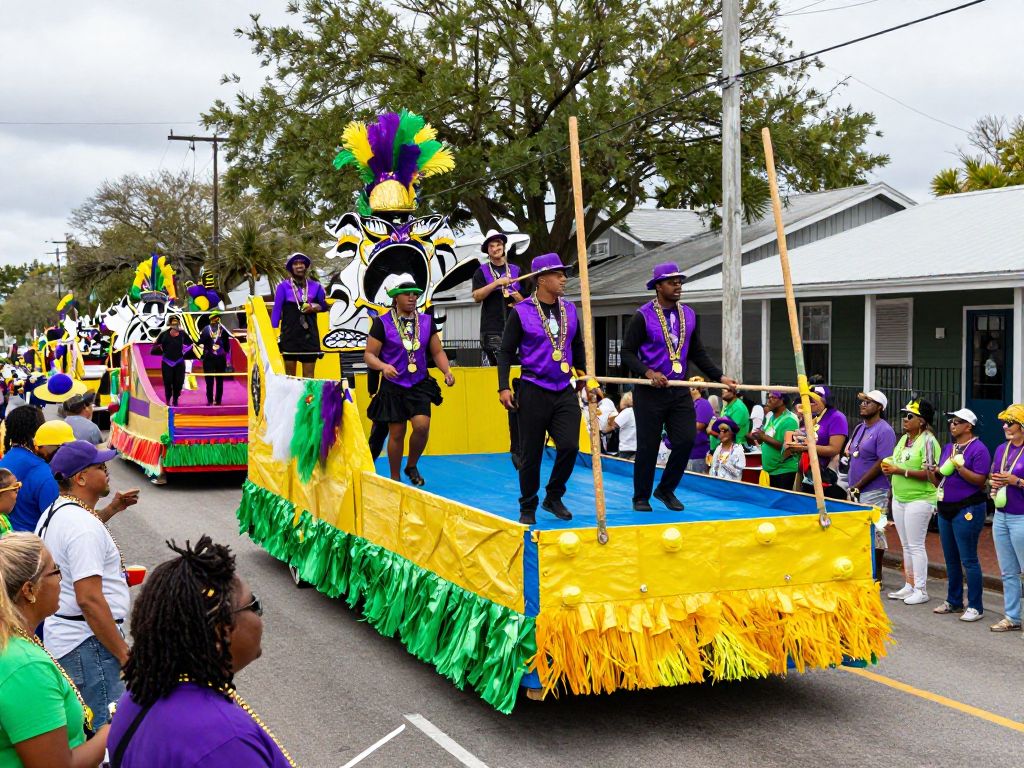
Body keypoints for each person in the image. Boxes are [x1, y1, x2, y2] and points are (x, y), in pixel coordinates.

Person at [108, 536, 294, 767]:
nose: (260, 617)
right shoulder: (227, 742)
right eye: (254, 605)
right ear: (221, 632)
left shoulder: (136, 696)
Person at [35, 441, 140, 728]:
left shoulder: (59, 511)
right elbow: (89, 599)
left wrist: (113, 508)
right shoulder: (81, 525)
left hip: (76, 641)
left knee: (91, 732)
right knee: (109, 734)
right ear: (80, 478)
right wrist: (124, 655)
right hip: (90, 646)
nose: (107, 469)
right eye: (99, 466)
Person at [621, 262, 737, 513]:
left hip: (679, 389)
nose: (678, 285)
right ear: (658, 286)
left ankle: (665, 489)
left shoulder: (690, 315)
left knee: (686, 439)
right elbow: (627, 353)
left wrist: (720, 377)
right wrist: (648, 372)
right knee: (648, 446)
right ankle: (640, 496)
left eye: (680, 281)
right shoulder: (642, 316)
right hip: (650, 391)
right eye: (672, 282)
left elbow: (698, 353)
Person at [0, 532, 110, 767]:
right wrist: (111, 732)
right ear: (29, 590)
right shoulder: (24, 666)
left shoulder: (16, 643)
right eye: (56, 571)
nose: (62, 580)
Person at [497, 253, 585, 525]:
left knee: (570, 446)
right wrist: (503, 387)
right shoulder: (522, 312)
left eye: (563, 274)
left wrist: (583, 377)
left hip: (564, 389)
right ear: (541, 279)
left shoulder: (570, 310)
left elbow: (577, 346)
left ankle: (554, 496)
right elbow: (505, 352)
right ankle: (528, 504)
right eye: (558, 275)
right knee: (531, 453)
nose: (563, 279)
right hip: (533, 388)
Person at [363, 276, 455, 486]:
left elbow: (437, 351)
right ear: (396, 298)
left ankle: (411, 465)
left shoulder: (426, 322)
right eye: (407, 294)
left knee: (422, 426)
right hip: (393, 385)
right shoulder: (382, 323)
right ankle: (395, 478)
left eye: (415, 294)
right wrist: (383, 367)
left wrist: (447, 371)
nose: (413, 297)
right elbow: (369, 355)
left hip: (419, 382)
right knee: (397, 432)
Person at [932, 408, 990, 622]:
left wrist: (960, 467)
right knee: (951, 558)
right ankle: (954, 600)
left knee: (969, 559)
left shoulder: (978, 449)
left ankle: (975, 606)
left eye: (958, 421)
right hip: (946, 505)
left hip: (968, 508)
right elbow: (942, 480)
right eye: (951, 421)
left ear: (969, 426)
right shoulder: (949, 447)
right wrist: (932, 474)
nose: (952, 424)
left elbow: (979, 481)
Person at [882, 399, 941, 606]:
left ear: (922, 421)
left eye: (910, 416)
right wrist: (889, 464)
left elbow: (932, 474)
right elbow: (896, 460)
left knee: (916, 545)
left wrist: (900, 471)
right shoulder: (904, 439)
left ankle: (921, 589)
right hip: (900, 498)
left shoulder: (928, 441)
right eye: (904, 415)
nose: (904, 419)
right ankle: (909, 584)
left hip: (920, 499)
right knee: (906, 545)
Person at [845, 390, 898, 575]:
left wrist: (859, 485)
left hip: (875, 490)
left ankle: (877, 575)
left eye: (869, 402)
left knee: (876, 532)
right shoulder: (859, 428)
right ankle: (861, 571)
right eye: (863, 401)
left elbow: (883, 462)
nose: (863, 404)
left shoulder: (884, 430)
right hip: (855, 488)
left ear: (880, 407)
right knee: (857, 533)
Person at [989, 404, 1024, 632]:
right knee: (1008, 571)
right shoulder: (1002, 449)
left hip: (1021, 517)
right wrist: (993, 483)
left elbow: (1014, 480)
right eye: (1004, 422)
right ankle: (1012, 617)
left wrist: (1017, 481)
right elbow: (993, 473)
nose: (1005, 426)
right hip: (1001, 516)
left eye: (1009, 423)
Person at [785, 386, 848, 500]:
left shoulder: (837, 417)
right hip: (810, 477)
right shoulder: (814, 418)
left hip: (828, 480)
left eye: (817, 396)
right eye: (810, 396)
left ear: (826, 399)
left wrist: (806, 447)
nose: (811, 399)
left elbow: (834, 449)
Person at [471, 230, 524, 366]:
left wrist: (516, 295)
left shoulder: (516, 270)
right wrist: (496, 283)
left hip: (516, 326)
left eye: (498, 244)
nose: (495, 248)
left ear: (504, 246)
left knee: (517, 366)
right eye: (491, 246)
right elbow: (476, 296)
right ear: (487, 251)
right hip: (492, 328)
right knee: (497, 367)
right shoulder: (481, 271)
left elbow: (526, 301)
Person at [0, 406, 57, 531]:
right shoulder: (43, 472)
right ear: (38, 432)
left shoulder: (4, 462)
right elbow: (55, 522)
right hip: (32, 545)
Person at [271, 252, 326, 379]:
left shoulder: (316, 286)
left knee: (309, 377)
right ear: (291, 267)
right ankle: (291, 400)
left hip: (309, 336)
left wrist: (313, 307)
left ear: (306, 266)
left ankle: (308, 399)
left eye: (302, 263)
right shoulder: (282, 287)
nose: (299, 266)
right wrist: (273, 334)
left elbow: (324, 306)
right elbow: (276, 311)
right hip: (289, 336)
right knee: (290, 377)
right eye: (295, 263)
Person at [749, 391, 799, 490]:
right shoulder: (771, 417)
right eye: (769, 397)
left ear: (782, 400)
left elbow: (787, 447)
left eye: (773, 397)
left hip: (783, 471)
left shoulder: (790, 420)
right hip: (771, 471)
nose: (769, 400)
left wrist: (763, 436)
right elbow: (766, 439)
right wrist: (758, 437)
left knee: (781, 504)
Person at [151, 316, 192, 407]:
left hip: (179, 362)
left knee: (179, 382)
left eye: (176, 322)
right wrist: (159, 347)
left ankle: (175, 399)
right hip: (167, 362)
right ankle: (168, 399)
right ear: (169, 323)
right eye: (173, 322)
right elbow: (155, 345)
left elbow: (190, 344)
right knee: (168, 382)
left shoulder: (182, 333)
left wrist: (185, 350)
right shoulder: (164, 334)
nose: (174, 324)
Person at [199, 310, 232, 406]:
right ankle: (210, 400)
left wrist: (227, 358)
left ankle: (218, 401)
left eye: (217, 318)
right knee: (209, 381)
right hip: (209, 358)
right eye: (214, 318)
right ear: (210, 319)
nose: (216, 320)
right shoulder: (205, 329)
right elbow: (200, 341)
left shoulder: (223, 330)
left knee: (219, 380)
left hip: (220, 358)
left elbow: (227, 345)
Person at [709, 386, 750, 452]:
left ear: (734, 392)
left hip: (733, 448)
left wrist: (711, 431)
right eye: (723, 388)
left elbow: (729, 433)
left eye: (726, 389)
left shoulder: (738, 408)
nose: (722, 390)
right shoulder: (728, 406)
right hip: (723, 447)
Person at [687, 378, 714, 474]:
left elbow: (698, 426)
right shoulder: (691, 404)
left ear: (695, 389)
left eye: (689, 387)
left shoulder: (703, 404)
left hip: (697, 454)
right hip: (687, 453)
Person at [709, 417, 746, 481]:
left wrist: (725, 464)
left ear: (732, 433)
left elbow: (737, 473)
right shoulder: (718, 448)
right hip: (716, 485)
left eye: (725, 430)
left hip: (730, 487)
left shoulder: (738, 450)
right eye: (720, 431)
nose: (722, 433)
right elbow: (713, 468)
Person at [606, 392, 636, 460]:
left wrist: (609, 419)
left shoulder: (627, 411)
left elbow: (614, 424)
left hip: (627, 447)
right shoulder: (636, 411)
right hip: (635, 446)